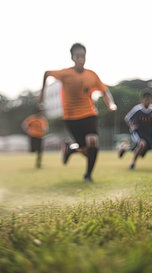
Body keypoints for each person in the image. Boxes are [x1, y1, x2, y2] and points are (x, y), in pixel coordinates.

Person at [39, 43, 117, 182]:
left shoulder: (91, 75)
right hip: (70, 117)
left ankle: (88, 175)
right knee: (85, 149)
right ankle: (70, 149)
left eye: (83, 55)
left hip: (89, 113)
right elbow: (47, 73)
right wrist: (42, 95)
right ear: (72, 57)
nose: (81, 58)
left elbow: (104, 90)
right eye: (78, 56)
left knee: (93, 141)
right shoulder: (65, 73)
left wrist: (111, 104)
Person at [119, 89, 152, 169]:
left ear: (151, 100)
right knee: (141, 144)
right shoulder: (137, 110)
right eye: (146, 99)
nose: (147, 101)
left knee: (141, 153)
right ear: (142, 100)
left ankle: (125, 149)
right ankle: (133, 163)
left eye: (149, 99)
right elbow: (127, 118)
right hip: (138, 133)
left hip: (149, 134)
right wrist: (131, 126)